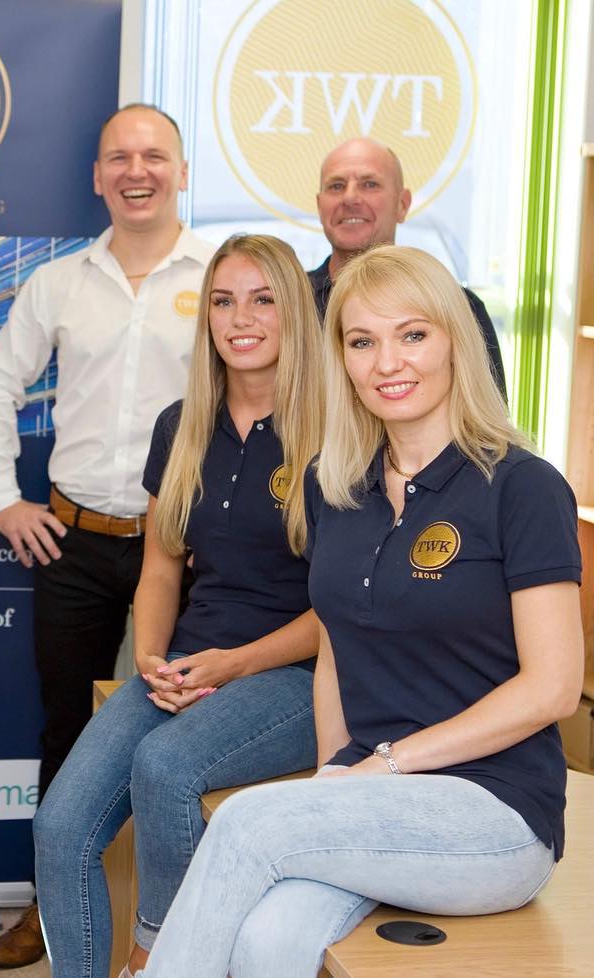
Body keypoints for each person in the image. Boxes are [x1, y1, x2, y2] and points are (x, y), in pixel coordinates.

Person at [137, 245, 582, 977]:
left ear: (455, 342)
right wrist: (332, 778)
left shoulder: (521, 486)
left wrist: (385, 766)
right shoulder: (335, 485)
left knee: (246, 823)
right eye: (362, 341)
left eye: (413, 334)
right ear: (339, 359)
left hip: (495, 811)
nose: (388, 363)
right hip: (369, 793)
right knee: (266, 943)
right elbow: (337, 652)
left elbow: (554, 689)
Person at [34, 234, 323, 978]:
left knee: (164, 767)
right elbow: (162, 567)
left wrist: (235, 665)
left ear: (295, 311)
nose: (241, 318)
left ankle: (155, 959)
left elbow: (343, 609)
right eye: (223, 301)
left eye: (262, 299)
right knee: (60, 826)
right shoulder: (183, 424)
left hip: (298, 677)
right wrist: (152, 658)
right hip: (190, 666)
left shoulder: (337, 434)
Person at [0, 104, 215, 968]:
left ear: (182, 172)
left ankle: (177, 922)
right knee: (67, 729)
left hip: (188, 552)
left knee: (185, 733)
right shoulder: (59, 282)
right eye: (118, 158)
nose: (136, 171)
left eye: (154, 156)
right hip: (74, 544)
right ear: (98, 176)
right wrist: (4, 500)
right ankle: (51, 906)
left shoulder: (223, 278)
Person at [310, 138, 505, 397]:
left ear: (402, 204)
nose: (350, 197)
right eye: (336, 186)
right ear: (319, 205)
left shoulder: (455, 306)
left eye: (370, 184)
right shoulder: (284, 303)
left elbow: (483, 412)